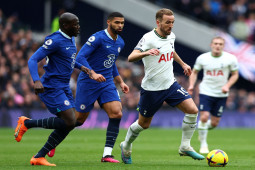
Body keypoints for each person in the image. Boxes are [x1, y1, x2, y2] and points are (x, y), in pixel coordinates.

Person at [14, 12, 103, 166]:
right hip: (51, 86)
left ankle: (39, 156)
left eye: (78, 23)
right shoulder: (55, 40)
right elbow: (33, 59)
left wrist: (83, 68)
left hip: (64, 86)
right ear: (65, 26)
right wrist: (36, 81)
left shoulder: (71, 38)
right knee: (69, 121)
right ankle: (27, 124)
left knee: (71, 123)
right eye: (75, 24)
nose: (78, 27)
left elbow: (69, 59)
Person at [119, 8, 205, 164]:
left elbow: (170, 50)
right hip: (152, 89)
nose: (171, 25)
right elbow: (132, 57)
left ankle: (185, 146)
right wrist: (146, 53)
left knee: (193, 110)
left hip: (170, 84)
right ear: (158, 22)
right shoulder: (148, 38)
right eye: (167, 22)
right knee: (143, 124)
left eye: (172, 22)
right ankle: (126, 145)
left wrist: (182, 63)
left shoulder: (171, 35)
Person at [48, 12, 128, 163]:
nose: (120, 25)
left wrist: (120, 81)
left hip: (106, 82)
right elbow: (80, 58)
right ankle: (52, 141)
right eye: (117, 22)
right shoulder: (97, 38)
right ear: (109, 22)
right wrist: (93, 73)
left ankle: (107, 155)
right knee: (77, 120)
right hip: (89, 82)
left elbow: (111, 64)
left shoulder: (120, 42)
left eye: (122, 23)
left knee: (117, 113)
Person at [187, 37, 239, 154]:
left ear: (223, 46)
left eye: (220, 44)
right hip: (206, 91)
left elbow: (235, 75)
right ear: (211, 45)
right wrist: (191, 85)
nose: (218, 46)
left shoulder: (230, 59)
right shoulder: (202, 58)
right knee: (204, 117)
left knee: (214, 123)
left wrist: (227, 85)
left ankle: (202, 130)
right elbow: (194, 72)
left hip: (221, 94)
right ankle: (203, 144)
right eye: (215, 43)